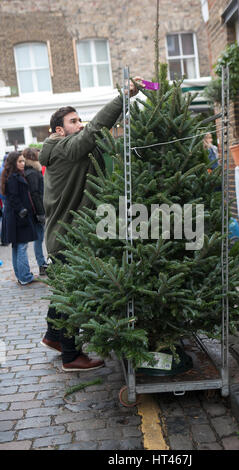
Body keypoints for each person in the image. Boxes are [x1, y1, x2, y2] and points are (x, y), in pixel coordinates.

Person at [39, 77, 143, 372]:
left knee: (61, 293)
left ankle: (53, 337)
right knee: (71, 297)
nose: (80, 124)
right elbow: (96, 130)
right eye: (74, 121)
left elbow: (99, 142)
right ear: (59, 130)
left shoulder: (71, 151)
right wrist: (123, 97)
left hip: (64, 237)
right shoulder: (64, 149)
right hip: (67, 239)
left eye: (79, 119)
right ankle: (71, 357)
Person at [1, 152, 38, 285]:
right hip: (18, 217)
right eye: (20, 161)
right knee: (21, 246)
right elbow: (13, 197)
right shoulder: (13, 177)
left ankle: (21, 275)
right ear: (13, 163)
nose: (23, 163)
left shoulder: (13, 176)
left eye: (23, 161)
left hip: (16, 216)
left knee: (17, 247)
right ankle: (25, 276)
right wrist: (22, 210)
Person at [23, 147, 48, 276]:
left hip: (36, 210)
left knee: (39, 238)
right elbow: (35, 194)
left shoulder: (31, 171)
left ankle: (42, 262)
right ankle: (42, 264)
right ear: (33, 157)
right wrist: (40, 213)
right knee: (39, 238)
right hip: (37, 211)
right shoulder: (32, 172)